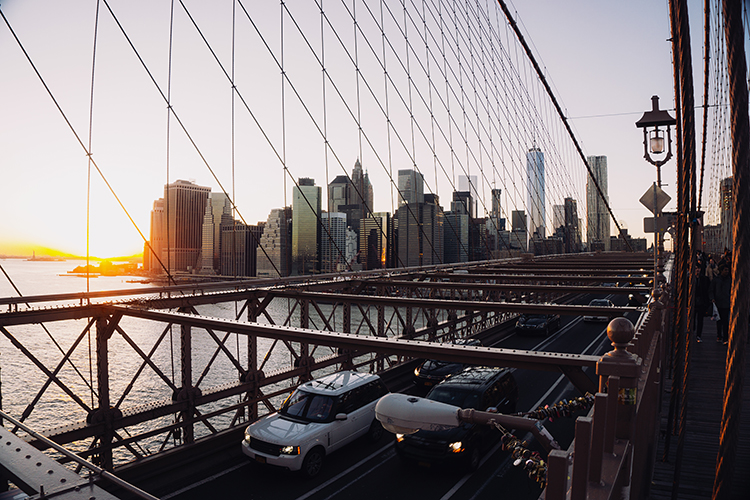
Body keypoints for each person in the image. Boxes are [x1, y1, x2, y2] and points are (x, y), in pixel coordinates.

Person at [709, 264, 732, 344]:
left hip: (726, 303)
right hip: (718, 303)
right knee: (719, 321)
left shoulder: (729, 280)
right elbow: (711, 290)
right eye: (725, 270)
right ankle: (719, 335)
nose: (727, 272)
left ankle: (725, 338)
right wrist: (712, 298)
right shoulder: (716, 280)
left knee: (725, 321)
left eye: (727, 270)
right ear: (721, 271)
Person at [694, 257, 710, 342]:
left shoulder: (704, 279)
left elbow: (707, 290)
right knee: (692, 320)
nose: (697, 270)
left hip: (701, 302)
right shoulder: (690, 279)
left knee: (700, 320)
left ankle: (698, 335)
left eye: (698, 268)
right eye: (696, 269)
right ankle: (692, 331)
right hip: (693, 302)